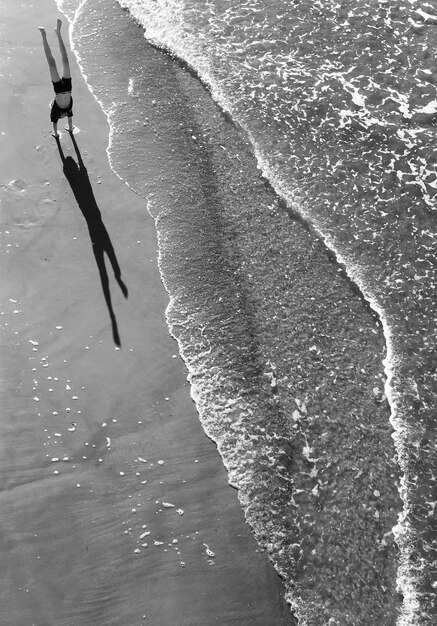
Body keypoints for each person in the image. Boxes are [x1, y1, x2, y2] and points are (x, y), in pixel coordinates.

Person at [38, 19, 74, 137]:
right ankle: (58, 32)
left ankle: (44, 35)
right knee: (65, 59)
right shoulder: (68, 110)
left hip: (58, 90)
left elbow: (54, 123)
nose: (63, 116)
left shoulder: (55, 111)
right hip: (68, 88)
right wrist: (70, 129)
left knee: (51, 62)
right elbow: (70, 119)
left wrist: (56, 135)